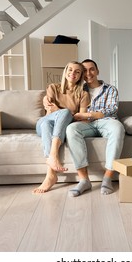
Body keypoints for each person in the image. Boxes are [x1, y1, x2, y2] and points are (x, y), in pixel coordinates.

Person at [65, 58, 125, 197]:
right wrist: (47, 100)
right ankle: (84, 180)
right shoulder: (78, 89)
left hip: (107, 121)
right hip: (87, 125)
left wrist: (88, 114)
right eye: (84, 70)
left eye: (91, 69)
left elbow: (111, 110)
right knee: (71, 129)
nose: (88, 73)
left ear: (97, 71)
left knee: (118, 128)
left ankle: (107, 178)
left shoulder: (110, 89)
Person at [33, 61, 90, 194]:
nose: (73, 73)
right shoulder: (53, 88)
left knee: (54, 121)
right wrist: (68, 113)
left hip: (53, 126)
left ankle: (50, 175)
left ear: (81, 75)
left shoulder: (83, 94)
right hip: (42, 123)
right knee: (50, 121)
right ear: (65, 72)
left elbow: (82, 117)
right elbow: (49, 114)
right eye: (70, 70)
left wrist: (61, 111)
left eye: (77, 71)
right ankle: (53, 155)